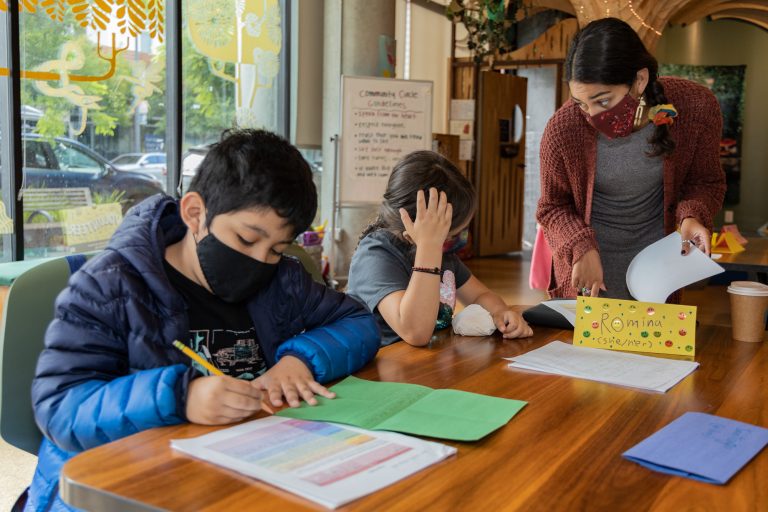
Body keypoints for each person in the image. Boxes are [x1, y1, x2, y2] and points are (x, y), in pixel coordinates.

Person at [26, 129, 380, 511]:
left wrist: (300, 359)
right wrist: (181, 397)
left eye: (277, 249)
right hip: (118, 486)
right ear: (195, 213)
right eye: (246, 240)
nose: (260, 261)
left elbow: (358, 322)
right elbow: (60, 407)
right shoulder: (109, 285)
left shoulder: (281, 281)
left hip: (240, 471)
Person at [537, 18, 726, 300]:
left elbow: (706, 181)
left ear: (640, 80)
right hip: (589, 271)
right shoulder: (563, 129)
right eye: (581, 104)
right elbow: (552, 208)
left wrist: (692, 215)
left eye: (603, 101)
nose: (592, 116)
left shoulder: (695, 108)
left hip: (658, 272)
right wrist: (579, 245)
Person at [347, 150, 532, 346]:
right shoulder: (375, 256)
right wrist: (429, 248)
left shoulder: (442, 252)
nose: (456, 242)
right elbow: (415, 333)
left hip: (431, 359)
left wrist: (499, 312)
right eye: (451, 236)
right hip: (384, 361)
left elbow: (480, 295)